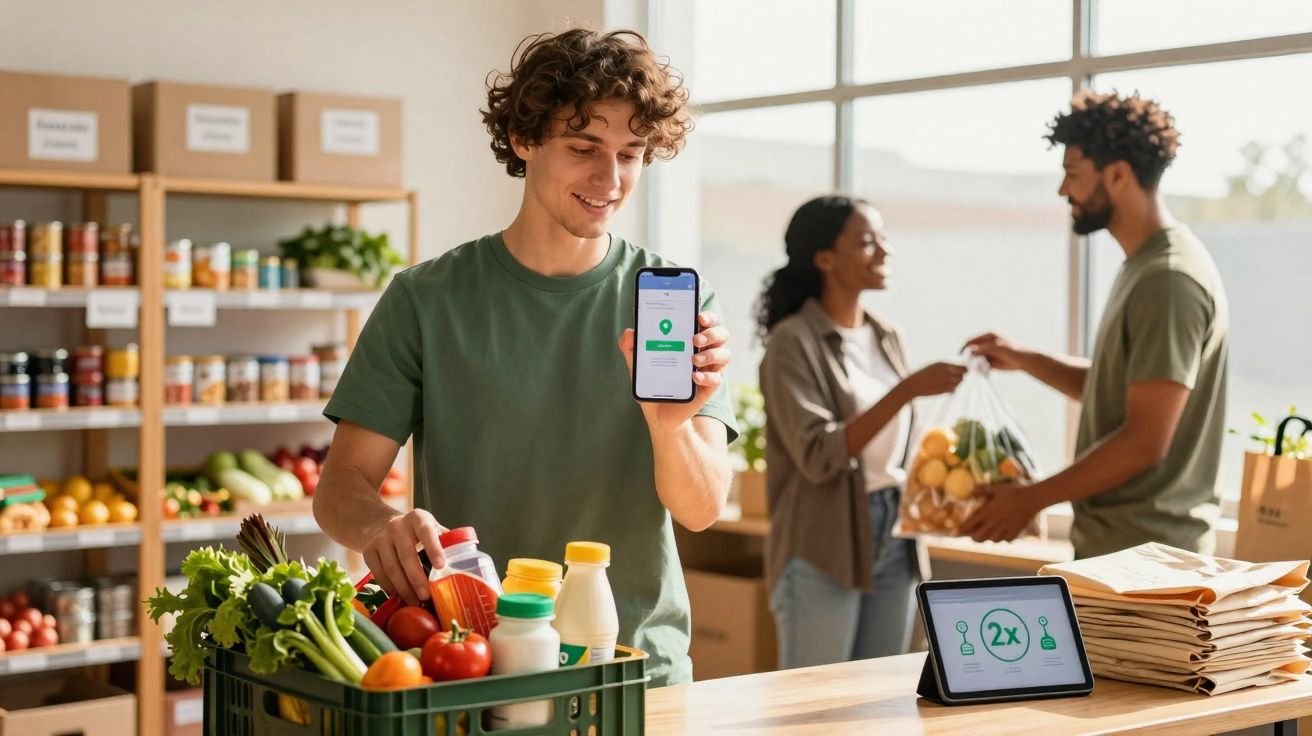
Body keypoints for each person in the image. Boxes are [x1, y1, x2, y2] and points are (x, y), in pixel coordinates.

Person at [312, 28, 739, 687]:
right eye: (584, 147)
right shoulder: (427, 299)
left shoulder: (672, 303)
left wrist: (669, 422)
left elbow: (702, 508)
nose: (611, 178)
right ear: (524, 139)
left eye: (632, 153)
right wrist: (382, 526)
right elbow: (341, 486)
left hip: (633, 669)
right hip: (475, 662)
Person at [961, 91, 1229, 558]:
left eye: (1073, 175)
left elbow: (1145, 440)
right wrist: (1026, 359)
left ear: (1119, 175)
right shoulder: (1144, 267)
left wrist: (1029, 499)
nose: (1064, 190)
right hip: (1124, 554)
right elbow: (1125, 393)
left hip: (1149, 565)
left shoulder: (1167, 278)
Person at [756, 195, 966, 668]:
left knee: (877, 697)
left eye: (883, 239)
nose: (885, 252)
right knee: (815, 703)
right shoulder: (793, 342)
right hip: (823, 538)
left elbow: (898, 448)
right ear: (825, 258)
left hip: (896, 528)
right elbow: (817, 453)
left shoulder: (886, 335)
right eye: (868, 242)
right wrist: (907, 390)